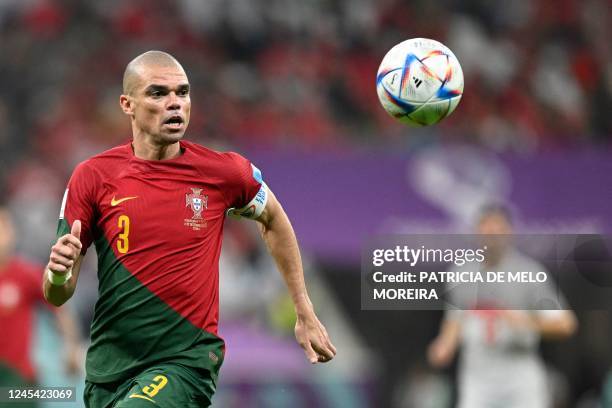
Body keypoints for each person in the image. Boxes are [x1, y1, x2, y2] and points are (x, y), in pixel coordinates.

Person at [42, 50, 336, 408]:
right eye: (157, 93)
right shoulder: (93, 176)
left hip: (185, 362)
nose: (174, 103)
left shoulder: (224, 172)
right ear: (127, 104)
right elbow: (57, 293)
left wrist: (303, 310)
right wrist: (58, 275)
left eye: (182, 92)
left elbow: (274, 219)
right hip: (108, 368)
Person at [427, 204, 577, 408]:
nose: (491, 236)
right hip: (477, 375)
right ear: (477, 232)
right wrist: (445, 344)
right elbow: (455, 318)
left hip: (518, 373)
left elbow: (565, 324)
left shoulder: (529, 273)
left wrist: (526, 322)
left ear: (509, 232)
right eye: (486, 229)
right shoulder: (460, 272)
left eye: (497, 230)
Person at [0, 205, 81, 408]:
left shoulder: (24, 274)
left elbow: (59, 307)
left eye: (3, 228)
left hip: (17, 377)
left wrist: (71, 347)